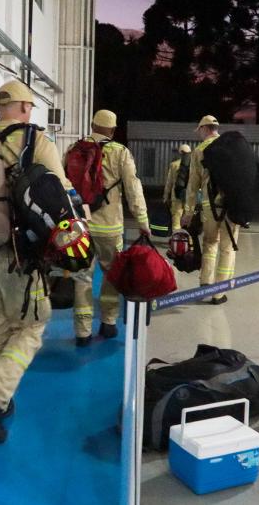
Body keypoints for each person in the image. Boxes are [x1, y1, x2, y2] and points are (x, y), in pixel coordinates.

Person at [0, 79, 71, 443]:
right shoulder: (35, 141)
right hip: (17, 257)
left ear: (0, 108)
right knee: (31, 327)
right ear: (26, 108)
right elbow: (61, 195)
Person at [71, 110, 151, 346]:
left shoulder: (75, 149)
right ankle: (108, 323)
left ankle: (82, 332)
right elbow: (133, 190)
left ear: (93, 125)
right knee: (112, 276)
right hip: (109, 228)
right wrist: (143, 222)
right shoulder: (119, 153)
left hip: (80, 227)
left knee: (82, 277)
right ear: (113, 130)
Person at [181, 115, 240, 305]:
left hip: (209, 207)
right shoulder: (232, 147)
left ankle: (205, 283)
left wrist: (188, 212)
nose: (199, 134)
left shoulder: (199, 151)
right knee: (227, 248)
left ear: (205, 129)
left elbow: (192, 186)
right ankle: (219, 293)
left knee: (209, 244)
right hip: (231, 206)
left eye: (199, 130)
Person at [163, 144, 192, 232]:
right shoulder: (194, 164)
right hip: (190, 196)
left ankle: (176, 240)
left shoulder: (174, 165)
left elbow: (169, 183)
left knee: (176, 219)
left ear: (180, 153)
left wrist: (165, 196)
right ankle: (189, 241)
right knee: (189, 219)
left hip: (177, 195)